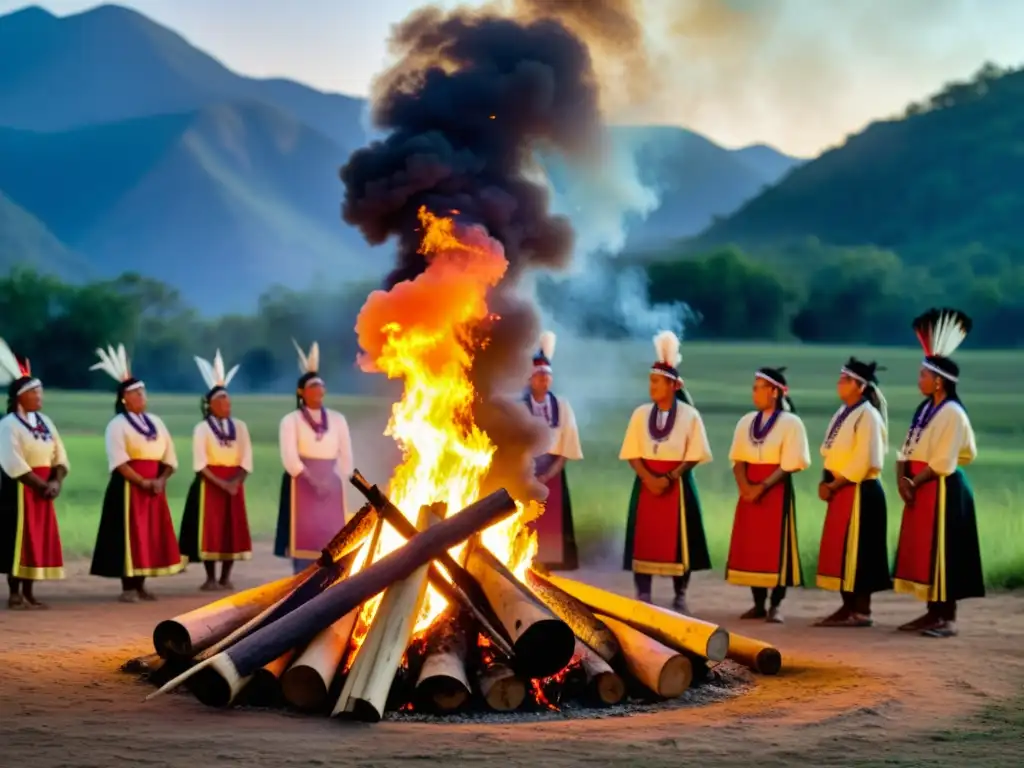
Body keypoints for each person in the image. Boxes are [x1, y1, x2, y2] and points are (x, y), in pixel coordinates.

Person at [893, 308, 983, 638]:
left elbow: (944, 461)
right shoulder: (925, 409)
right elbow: (907, 447)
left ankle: (948, 617)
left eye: (923, 375)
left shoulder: (952, 413)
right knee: (927, 552)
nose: (919, 380)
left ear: (939, 380)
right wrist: (902, 476)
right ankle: (932, 612)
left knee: (946, 552)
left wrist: (911, 482)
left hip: (943, 488)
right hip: (922, 487)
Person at [619, 330, 712, 612]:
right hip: (646, 482)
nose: (652, 386)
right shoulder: (639, 414)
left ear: (672, 385)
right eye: (651, 381)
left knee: (680, 541)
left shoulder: (689, 415)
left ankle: (680, 593)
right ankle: (643, 592)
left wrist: (670, 477)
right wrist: (649, 478)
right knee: (643, 537)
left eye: (657, 382)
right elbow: (632, 452)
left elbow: (695, 453)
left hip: (678, 484)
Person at [89, 344, 184, 601]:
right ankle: (128, 587)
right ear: (124, 399)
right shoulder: (117, 425)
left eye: (143, 391)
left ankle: (141, 584)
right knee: (129, 535)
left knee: (149, 536)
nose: (143, 396)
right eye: (137, 393)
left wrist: (160, 480)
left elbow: (169, 457)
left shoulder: (156, 422)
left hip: (154, 487)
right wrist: (143, 481)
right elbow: (119, 462)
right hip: (129, 487)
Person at [724, 367, 810, 624]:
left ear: (774, 392)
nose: (754, 392)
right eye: (754, 386)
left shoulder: (791, 423)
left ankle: (776, 605)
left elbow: (791, 462)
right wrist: (745, 487)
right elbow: (738, 459)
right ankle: (758, 604)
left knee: (776, 546)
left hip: (775, 489)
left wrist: (762, 487)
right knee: (753, 546)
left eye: (759, 387)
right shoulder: (746, 421)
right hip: (748, 488)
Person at [813, 358, 893, 627]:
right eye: (840, 378)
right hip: (842, 491)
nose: (840, 383)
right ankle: (847, 607)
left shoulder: (868, 415)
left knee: (861, 551)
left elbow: (865, 459)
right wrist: (826, 481)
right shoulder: (843, 412)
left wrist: (834, 484)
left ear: (860, 387)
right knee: (842, 549)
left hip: (860, 491)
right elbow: (830, 451)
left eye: (845, 379)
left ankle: (861, 610)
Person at [0, 340, 69, 609]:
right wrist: (40, 484)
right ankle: (15, 592)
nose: (40, 397)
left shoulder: (46, 422)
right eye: (35, 393)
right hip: (19, 488)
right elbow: (11, 460)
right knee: (17, 539)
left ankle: (29, 592)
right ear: (21, 397)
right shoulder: (8, 425)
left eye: (40, 393)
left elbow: (59, 456)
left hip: (42, 490)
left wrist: (56, 481)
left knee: (36, 539)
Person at [275, 340, 354, 575]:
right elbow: (290, 457)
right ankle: (300, 579)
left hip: (332, 481)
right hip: (301, 481)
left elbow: (346, 455)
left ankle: (333, 577)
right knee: (303, 534)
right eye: (313, 386)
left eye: (321, 386)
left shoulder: (338, 419)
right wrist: (312, 481)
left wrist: (336, 479)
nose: (319, 391)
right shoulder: (291, 421)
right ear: (301, 392)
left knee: (332, 534)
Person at [178, 350, 253, 591]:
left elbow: (246, 460)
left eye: (229, 401)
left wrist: (235, 482)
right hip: (210, 484)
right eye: (221, 402)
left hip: (234, 483)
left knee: (231, 530)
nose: (227, 405)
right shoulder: (202, 428)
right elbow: (200, 463)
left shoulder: (240, 427)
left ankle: (225, 576)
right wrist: (223, 485)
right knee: (210, 530)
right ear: (210, 405)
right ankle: (210, 577)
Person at [523, 331, 583, 570]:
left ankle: (548, 568)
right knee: (528, 520)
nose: (544, 381)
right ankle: (525, 561)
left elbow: (567, 445)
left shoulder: (562, 405)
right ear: (529, 379)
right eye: (538, 376)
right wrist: (528, 472)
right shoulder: (521, 407)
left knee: (552, 522)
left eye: (547, 376)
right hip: (525, 473)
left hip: (554, 473)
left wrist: (550, 473)